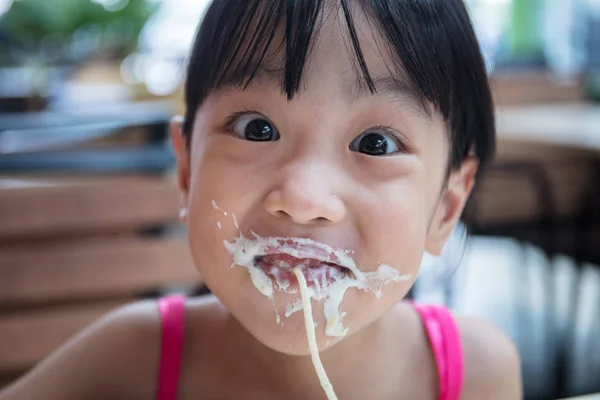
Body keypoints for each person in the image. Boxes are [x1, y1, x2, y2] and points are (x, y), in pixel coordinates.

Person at [0, 0, 522, 399]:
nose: (302, 198)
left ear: (445, 209)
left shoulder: (477, 371)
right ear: (187, 171)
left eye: (375, 144)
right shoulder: (129, 359)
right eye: (257, 128)